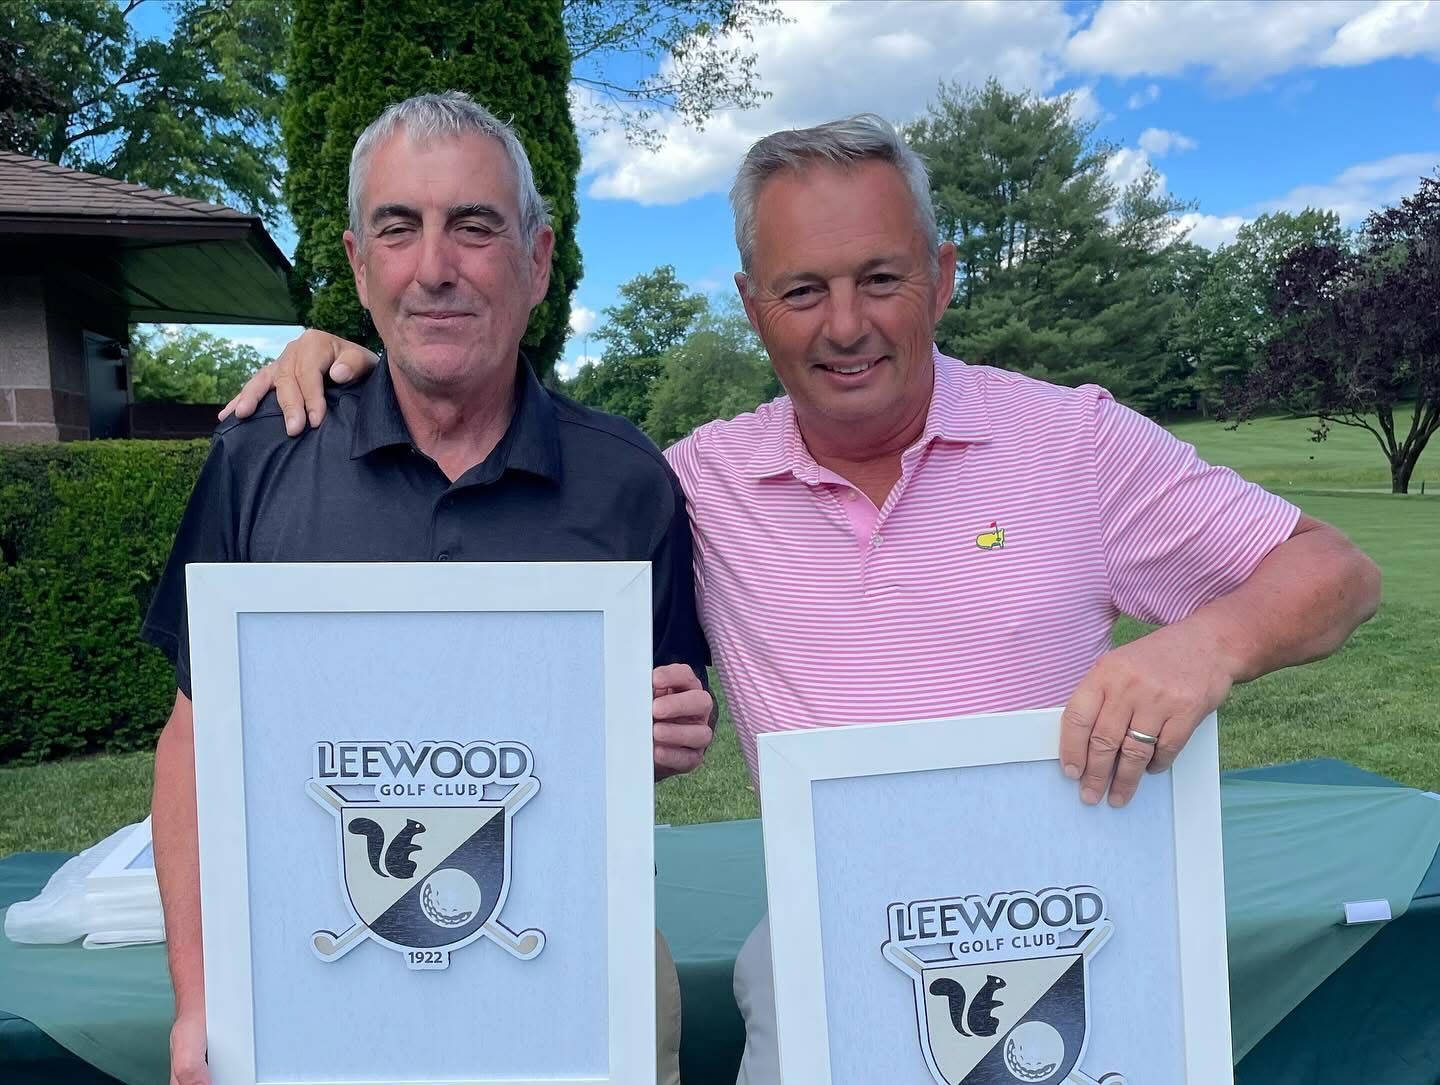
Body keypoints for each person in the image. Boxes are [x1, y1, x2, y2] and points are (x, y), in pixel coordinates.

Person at [227, 114, 1381, 1083]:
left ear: (941, 274)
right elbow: (505, 502)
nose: (844, 325)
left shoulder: (1074, 440)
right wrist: (351, 353)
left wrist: (1203, 645)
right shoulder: (695, 482)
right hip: (831, 956)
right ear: (750, 302)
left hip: (1068, 937)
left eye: (880, 278)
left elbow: (1335, 570)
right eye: (802, 289)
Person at [145, 92, 713, 1085]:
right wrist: (202, 998)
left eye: (474, 226)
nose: (435, 266)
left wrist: (662, 735)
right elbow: (194, 747)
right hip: (315, 970)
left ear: (536, 262)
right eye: (399, 228)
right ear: (360, 267)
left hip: (569, 968)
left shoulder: (629, 483)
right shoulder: (261, 460)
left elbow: (633, 741)